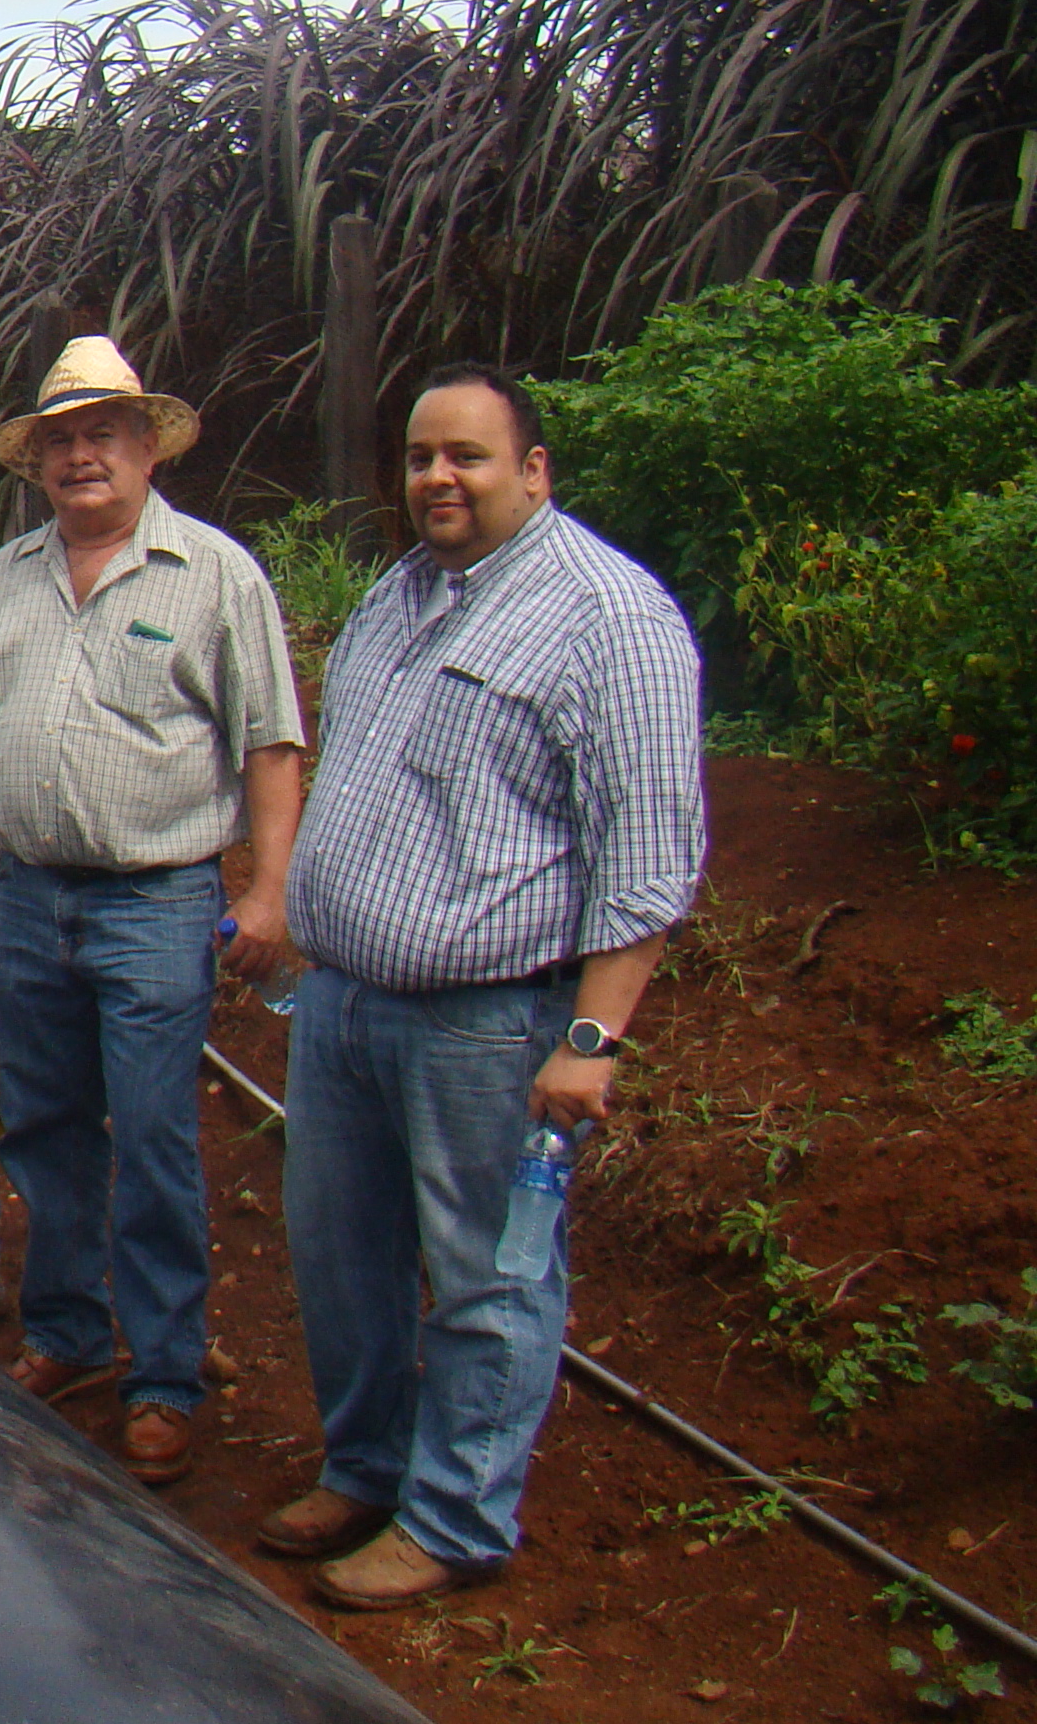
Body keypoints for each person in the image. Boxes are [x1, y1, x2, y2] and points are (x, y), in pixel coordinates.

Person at [264, 365, 701, 1609]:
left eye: (467, 456)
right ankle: (367, 1466)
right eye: (418, 458)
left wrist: (591, 1037)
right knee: (339, 1256)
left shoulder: (609, 617)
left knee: (484, 1275)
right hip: (346, 1000)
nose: (437, 479)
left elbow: (650, 857)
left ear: (536, 468)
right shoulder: (402, 593)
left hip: (488, 1021)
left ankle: (455, 1519)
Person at [0, 337, 305, 1491]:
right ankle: (70, 1333)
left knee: (157, 1138)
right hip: (28, 898)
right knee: (41, 1126)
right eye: (60, 441)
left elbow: (270, 743)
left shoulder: (215, 575)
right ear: (36, 464)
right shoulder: (12, 578)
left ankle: (166, 1374)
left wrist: (267, 890)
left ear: (146, 448)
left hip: (155, 902)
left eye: (102, 436)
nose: (81, 457)